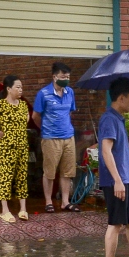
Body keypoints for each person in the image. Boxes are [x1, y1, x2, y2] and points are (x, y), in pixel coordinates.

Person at [97, 76, 129, 257]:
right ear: (121, 98)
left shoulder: (118, 119)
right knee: (115, 224)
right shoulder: (109, 119)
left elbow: (122, 150)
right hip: (117, 180)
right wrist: (117, 181)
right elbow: (106, 151)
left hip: (125, 179)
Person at [0, 75, 31, 223]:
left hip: (22, 145)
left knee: (22, 176)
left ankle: (23, 208)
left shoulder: (22, 105)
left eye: (21, 87)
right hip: (7, 146)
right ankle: (5, 210)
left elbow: (27, 118)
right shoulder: (0, 104)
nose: (20, 90)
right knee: (6, 177)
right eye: (18, 87)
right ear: (8, 89)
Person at [33, 61, 79, 213]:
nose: (66, 78)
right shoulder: (43, 93)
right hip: (50, 138)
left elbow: (70, 112)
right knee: (50, 172)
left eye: (67, 76)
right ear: (54, 76)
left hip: (68, 137)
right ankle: (48, 201)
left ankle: (65, 202)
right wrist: (46, 129)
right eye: (63, 76)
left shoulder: (70, 92)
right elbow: (35, 116)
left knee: (67, 171)